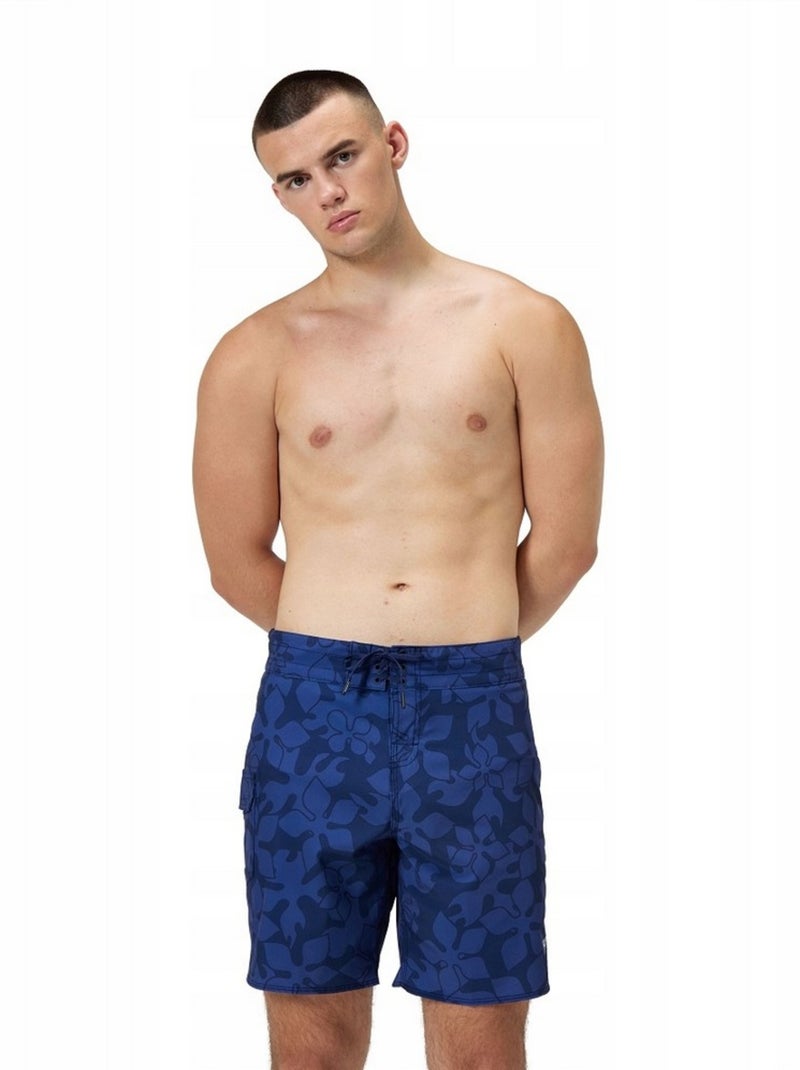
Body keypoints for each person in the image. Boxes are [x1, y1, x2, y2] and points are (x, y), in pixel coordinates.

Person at [192, 69, 604, 1070]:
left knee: (479, 1045)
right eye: (295, 179)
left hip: (472, 708)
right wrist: (337, 647)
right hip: (311, 712)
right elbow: (234, 558)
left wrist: (460, 641)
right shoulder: (254, 351)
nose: (326, 192)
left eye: (341, 157)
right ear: (278, 196)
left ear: (394, 145)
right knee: (312, 1046)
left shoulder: (522, 322)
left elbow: (566, 540)